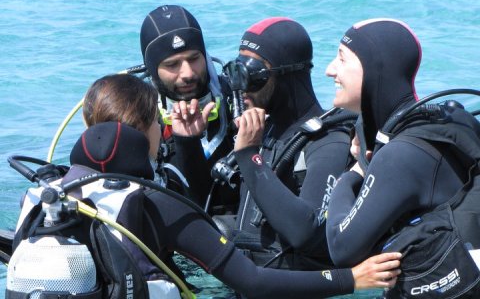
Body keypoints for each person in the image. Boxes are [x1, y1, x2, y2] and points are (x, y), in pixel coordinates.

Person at [73, 73, 401, 298]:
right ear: (147, 131)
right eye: (160, 123)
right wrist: (352, 279)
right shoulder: (157, 204)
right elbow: (253, 281)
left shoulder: (59, 187)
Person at [173, 17, 357, 270]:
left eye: (251, 75)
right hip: (250, 282)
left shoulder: (328, 141)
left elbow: (309, 234)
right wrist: (187, 142)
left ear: (287, 74)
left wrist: (249, 156)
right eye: (236, 71)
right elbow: (205, 207)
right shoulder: (261, 132)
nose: (240, 86)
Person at [324, 18, 480, 272]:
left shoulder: (400, 156)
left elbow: (341, 249)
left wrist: (353, 174)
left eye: (341, 59)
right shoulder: (449, 120)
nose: (330, 70)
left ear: (374, 69)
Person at [140, 4, 237, 214]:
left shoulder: (237, 99)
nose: (188, 73)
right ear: (152, 69)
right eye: (172, 64)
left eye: (194, 59)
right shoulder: (141, 117)